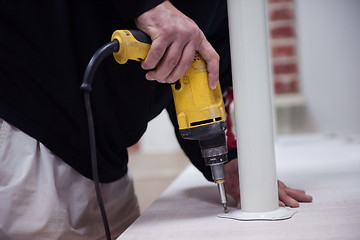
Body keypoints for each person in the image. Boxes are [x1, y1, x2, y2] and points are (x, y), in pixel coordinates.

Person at [0, 0, 312, 239]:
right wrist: (148, 5)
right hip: (29, 137)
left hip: (106, 160)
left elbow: (207, 75)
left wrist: (229, 159)